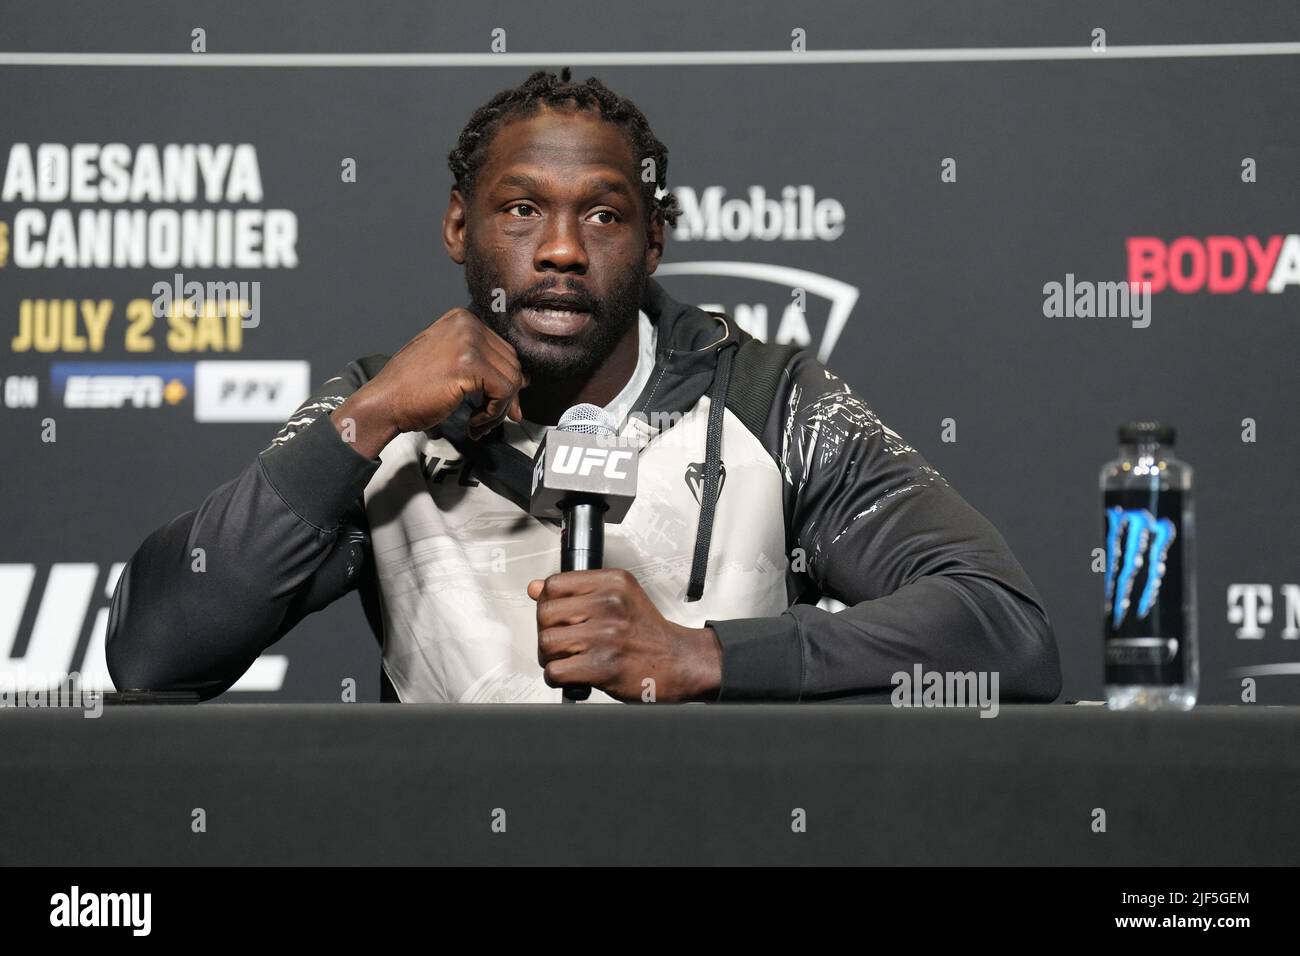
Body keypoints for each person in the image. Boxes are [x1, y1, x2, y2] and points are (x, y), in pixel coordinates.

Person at [106, 69, 1062, 704]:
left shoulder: (770, 397)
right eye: (522, 209)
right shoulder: (381, 417)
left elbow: (1004, 628)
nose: (560, 249)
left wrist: (709, 657)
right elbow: (151, 654)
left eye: (603, 215)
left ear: (654, 240)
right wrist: (361, 424)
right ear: (458, 227)